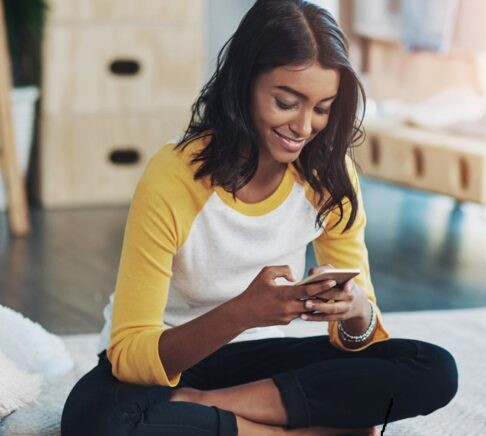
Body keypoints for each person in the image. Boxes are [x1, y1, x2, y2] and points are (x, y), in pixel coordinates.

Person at [60, 1, 458, 435]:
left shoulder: (329, 172)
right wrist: (243, 313)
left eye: (323, 107)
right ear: (245, 83)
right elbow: (131, 356)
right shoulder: (174, 176)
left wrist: (356, 309)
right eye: (287, 102)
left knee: (432, 367)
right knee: (96, 423)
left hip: (255, 365)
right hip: (167, 361)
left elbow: (363, 344)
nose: (305, 127)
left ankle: (215, 410)